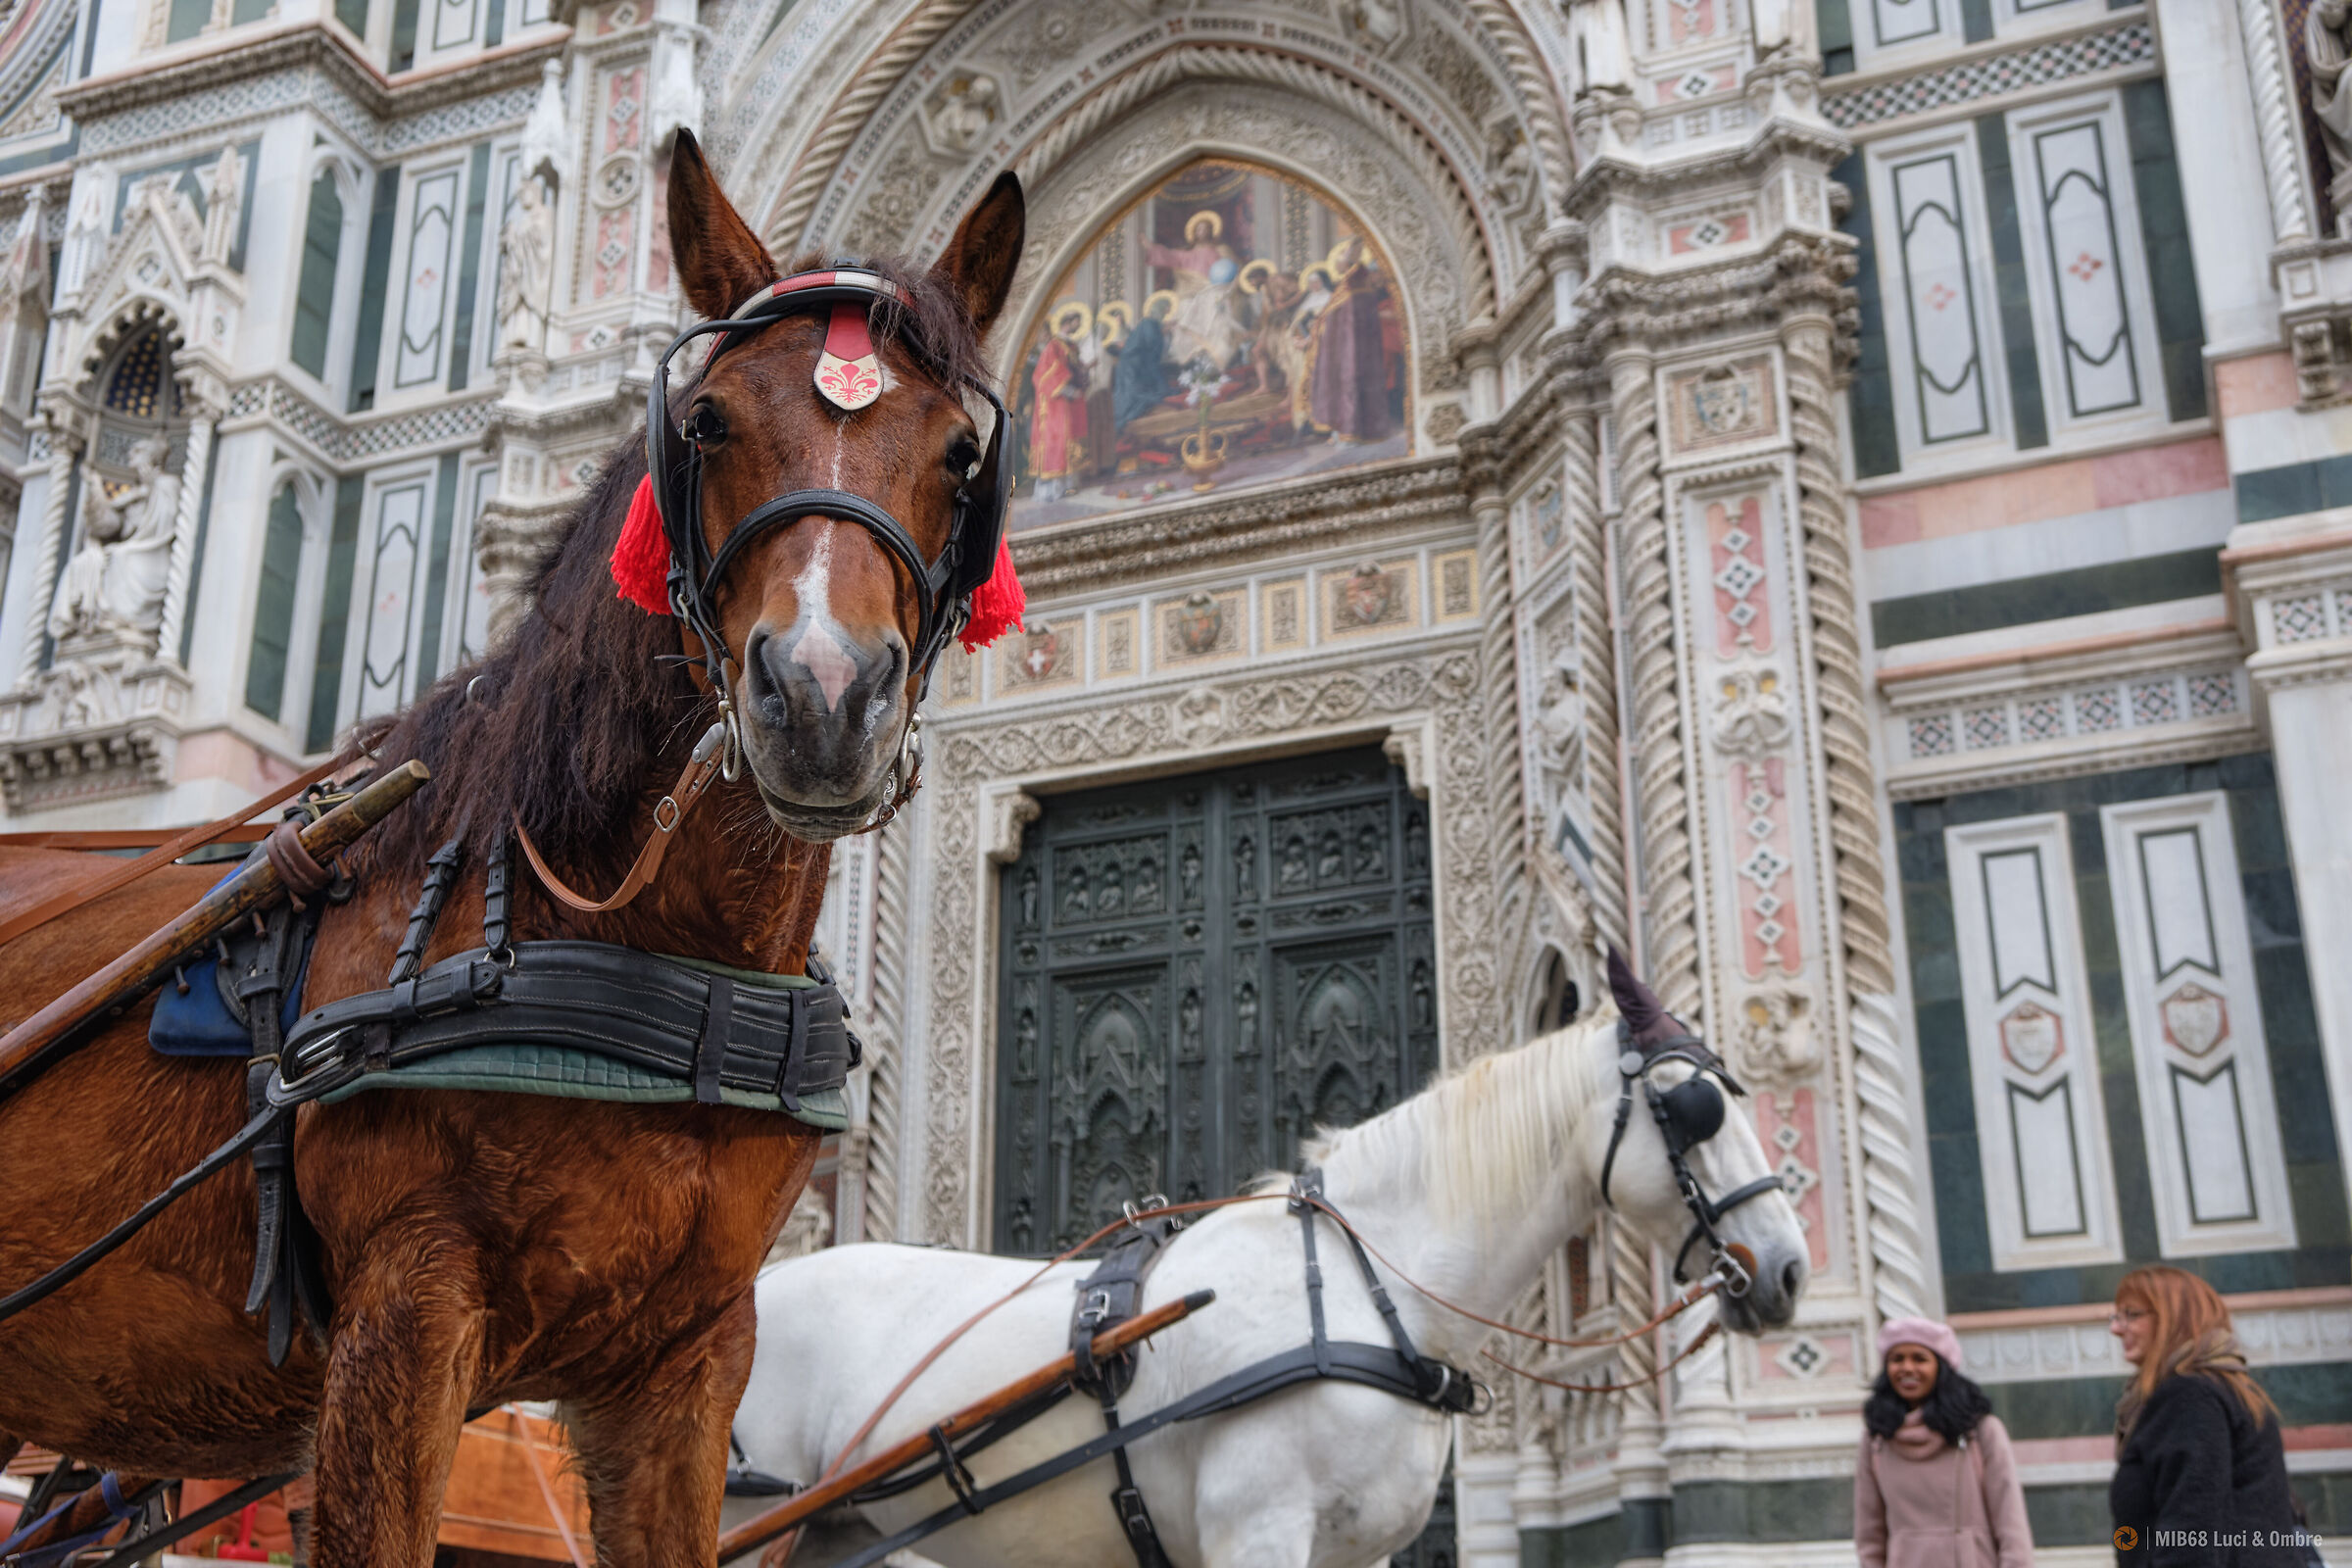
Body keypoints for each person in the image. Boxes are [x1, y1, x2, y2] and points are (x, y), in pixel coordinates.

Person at [2109, 1266, 2303, 1565]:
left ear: (2174, 1319)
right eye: (2117, 1316)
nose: (2117, 1328)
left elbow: (2192, 1529)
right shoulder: (2226, 1389)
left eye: (2132, 1315)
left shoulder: (2189, 1396)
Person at [1854, 1317, 2032, 1568]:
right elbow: (1869, 1534)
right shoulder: (1876, 1439)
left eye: (1919, 1358)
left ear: (1942, 1367)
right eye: (1897, 1359)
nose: (1907, 1368)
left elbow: (2011, 1522)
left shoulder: (1980, 1431)